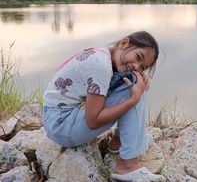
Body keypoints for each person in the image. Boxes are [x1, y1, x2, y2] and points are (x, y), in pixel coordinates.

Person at [43, 31, 164, 181]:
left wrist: (137, 78)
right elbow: (93, 120)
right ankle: (127, 165)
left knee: (135, 82)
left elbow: (111, 84)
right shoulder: (101, 66)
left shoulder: (104, 55)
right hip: (62, 127)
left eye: (142, 67)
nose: (136, 66)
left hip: (57, 120)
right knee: (133, 87)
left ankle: (120, 142)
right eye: (138, 57)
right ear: (124, 43)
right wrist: (132, 100)